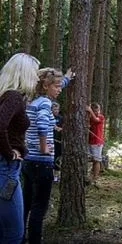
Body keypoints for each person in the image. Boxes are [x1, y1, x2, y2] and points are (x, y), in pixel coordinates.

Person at [22, 67, 73, 244]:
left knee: (26, 204)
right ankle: (35, 240)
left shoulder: (33, 101)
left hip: (28, 160)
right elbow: (43, 124)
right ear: (46, 86)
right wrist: (45, 148)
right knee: (39, 207)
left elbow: (55, 84)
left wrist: (66, 78)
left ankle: (20, 237)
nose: (59, 89)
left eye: (61, 86)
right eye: (57, 86)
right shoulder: (45, 103)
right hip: (41, 162)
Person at [0, 53, 40, 244]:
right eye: (34, 72)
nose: (37, 77)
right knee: (14, 233)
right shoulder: (14, 97)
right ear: (24, 73)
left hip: (5, 168)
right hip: (6, 169)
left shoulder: (6, 95)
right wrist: (9, 153)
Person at [86, 102, 105, 183]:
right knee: (90, 159)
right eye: (95, 111)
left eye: (98, 110)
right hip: (90, 141)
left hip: (97, 142)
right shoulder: (89, 118)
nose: (97, 112)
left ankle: (96, 177)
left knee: (96, 160)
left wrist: (90, 111)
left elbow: (96, 120)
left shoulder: (101, 117)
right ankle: (90, 175)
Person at [52, 102, 63, 182]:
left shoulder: (61, 118)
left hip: (59, 141)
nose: (56, 111)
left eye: (57, 109)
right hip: (51, 140)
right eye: (54, 109)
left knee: (58, 158)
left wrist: (60, 129)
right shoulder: (48, 117)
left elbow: (63, 127)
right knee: (52, 157)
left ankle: (57, 174)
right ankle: (51, 174)